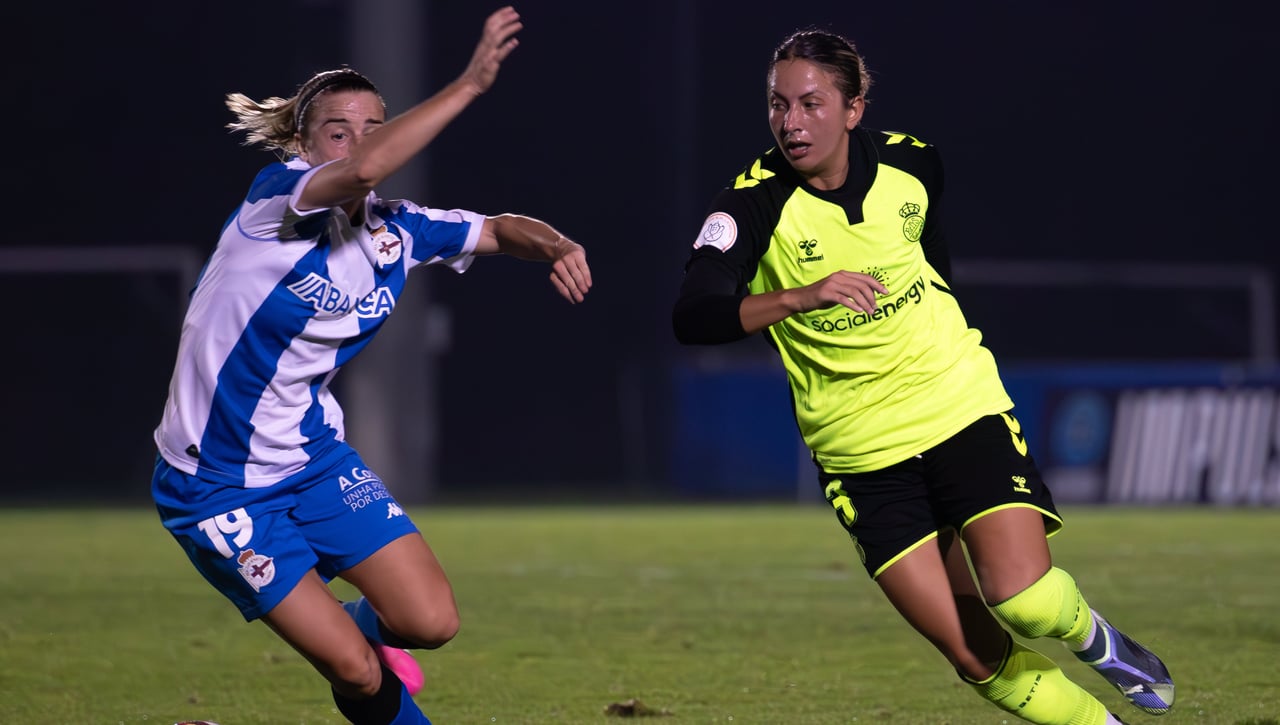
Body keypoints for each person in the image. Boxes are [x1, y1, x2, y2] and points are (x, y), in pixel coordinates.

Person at [672, 28, 1173, 725]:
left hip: (955, 407)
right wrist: (798, 296)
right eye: (778, 104)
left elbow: (935, 266)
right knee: (975, 656)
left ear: (854, 108)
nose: (791, 122)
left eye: (812, 103)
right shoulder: (750, 208)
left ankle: (1096, 638)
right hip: (861, 456)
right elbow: (694, 315)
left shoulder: (915, 164)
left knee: (1023, 599)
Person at [150, 7, 591, 725]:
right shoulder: (275, 203)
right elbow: (364, 169)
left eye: (372, 128)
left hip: (313, 459)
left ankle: (346, 624)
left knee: (430, 621)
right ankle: (353, 655)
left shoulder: (398, 230)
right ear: (302, 144)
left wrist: (557, 243)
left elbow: (499, 228)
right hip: (218, 483)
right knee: (357, 673)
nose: (358, 145)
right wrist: (470, 85)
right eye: (337, 130)